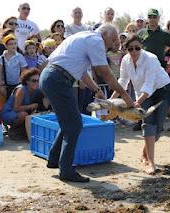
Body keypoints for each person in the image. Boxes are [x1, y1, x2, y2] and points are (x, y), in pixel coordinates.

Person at [39, 24, 134, 182]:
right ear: (105, 35)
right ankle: (66, 170)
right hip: (58, 79)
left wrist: (96, 90)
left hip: (51, 77)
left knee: (69, 121)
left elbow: (82, 72)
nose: (112, 45)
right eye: (112, 40)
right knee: (74, 125)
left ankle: (54, 160)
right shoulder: (96, 40)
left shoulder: (84, 37)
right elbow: (105, 73)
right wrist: (125, 95)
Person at [110, 35, 170, 174]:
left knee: (158, 129)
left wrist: (137, 103)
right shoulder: (125, 60)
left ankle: (145, 154)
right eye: (130, 48)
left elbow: (149, 83)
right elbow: (123, 81)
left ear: (141, 47)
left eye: (137, 48)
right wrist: (110, 100)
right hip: (143, 94)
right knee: (148, 124)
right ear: (126, 49)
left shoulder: (151, 59)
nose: (134, 51)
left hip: (162, 90)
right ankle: (151, 162)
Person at [0, 69, 41, 140]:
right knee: (24, 114)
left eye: (38, 80)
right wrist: (31, 106)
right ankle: (13, 131)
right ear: (27, 81)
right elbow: (16, 108)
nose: (36, 82)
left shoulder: (37, 90)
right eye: (34, 80)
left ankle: (22, 131)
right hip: (9, 113)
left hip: (22, 111)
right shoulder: (21, 90)